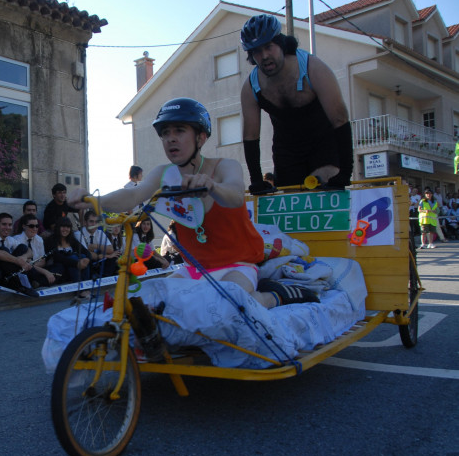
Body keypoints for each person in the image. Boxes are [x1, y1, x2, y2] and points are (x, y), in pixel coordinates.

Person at [69, 97, 318, 309]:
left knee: (232, 302)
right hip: (195, 268)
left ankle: (274, 295)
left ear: (201, 137)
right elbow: (133, 195)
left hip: (237, 265)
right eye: (165, 133)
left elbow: (234, 194)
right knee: (147, 302)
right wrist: (93, 201)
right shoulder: (163, 173)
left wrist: (212, 186)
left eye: (179, 130)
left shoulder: (225, 167)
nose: (170, 139)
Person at [240, 14, 353, 193]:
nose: (265, 56)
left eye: (269, 47)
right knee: (294, 204)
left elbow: (340, 119)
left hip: (324, 144)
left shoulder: (313, 68)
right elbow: (250, 136)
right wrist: (256, 180)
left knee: (322, 190)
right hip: (286, 152)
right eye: (257, 52)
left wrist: (346, 172)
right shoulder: (251, 87)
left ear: (281, 44)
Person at [0, 213, 38, 296]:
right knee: (3, 250)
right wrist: (18, 261)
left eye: (10, 225)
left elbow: (30, 251)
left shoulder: (9, 239)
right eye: (4, 224)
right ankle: (22, 284)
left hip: (4, 272)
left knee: (22, 247)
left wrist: (23, 257)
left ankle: (24, 282)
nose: (7, 227)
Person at [44, 216, 91, 292]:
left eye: (68, 227)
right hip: (59, 270)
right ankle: (80, 291)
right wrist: (76, 263)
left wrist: (87, 259)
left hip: (73, 269)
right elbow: (57, 258)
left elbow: (86, 252)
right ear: (58, 227)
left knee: (83, 256)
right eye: (63, 226)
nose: (65, 229)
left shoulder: (72, 240)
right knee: (74, 258)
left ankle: (86, 288)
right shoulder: (51, 240)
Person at [13, 214, 56, 287]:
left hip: (36, 268)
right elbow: (24, 264)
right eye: (31, 226)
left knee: (58, 267)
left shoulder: (39, 239)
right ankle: (39, 282)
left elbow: (43, 261)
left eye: (37, 226)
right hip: (24, 270)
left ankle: (38, 282)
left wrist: (34, 267)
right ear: (24, 226)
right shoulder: (16, 240)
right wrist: (45, 272)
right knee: (35, 272)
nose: (35, 229)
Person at [75, 210, 118, 278]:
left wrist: (96, 246)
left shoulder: (99, 232)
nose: (94, 224)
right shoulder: (79, 234)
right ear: (85, 222)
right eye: (91, 221)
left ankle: (103, 277)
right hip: (86, 262)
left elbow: (110, 249)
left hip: (99, 261)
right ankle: (103, 276)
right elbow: (88, 254)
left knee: (115, 257)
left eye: (96, 222)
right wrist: (107, 256)